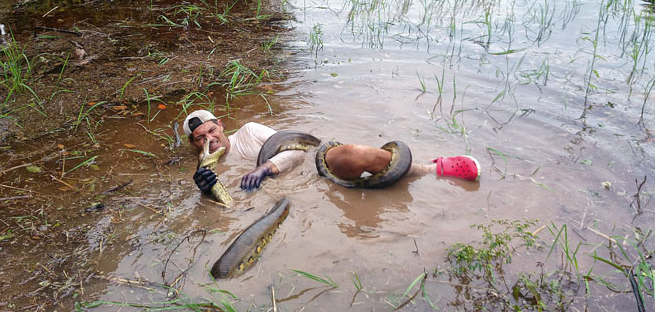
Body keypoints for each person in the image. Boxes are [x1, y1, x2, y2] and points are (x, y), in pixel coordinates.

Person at [185, 110, 481, 195]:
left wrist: (264, 168)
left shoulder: (249, 132)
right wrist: (207, 193)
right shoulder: (206, 168)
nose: (209, 140)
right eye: (200, 139)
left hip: (317, 164)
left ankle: (433, 169)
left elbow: (296, 151)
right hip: (299, 195)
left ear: (221, 126)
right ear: (194, 145)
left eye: (212, 131)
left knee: (353, 154)